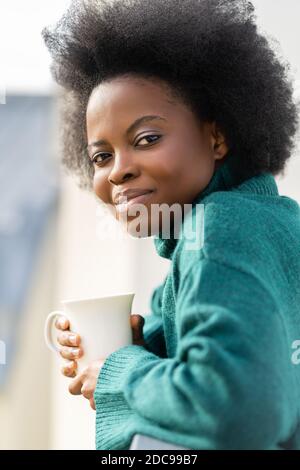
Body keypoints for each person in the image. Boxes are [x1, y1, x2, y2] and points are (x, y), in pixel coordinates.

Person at [42, 0, 300, 449]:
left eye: (147, 139)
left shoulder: (220, 229)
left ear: (216, 137)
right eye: (101, 157)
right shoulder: (269, 221)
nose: (118, 170)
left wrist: (117, 373)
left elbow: (237, 411)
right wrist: (137, 352)